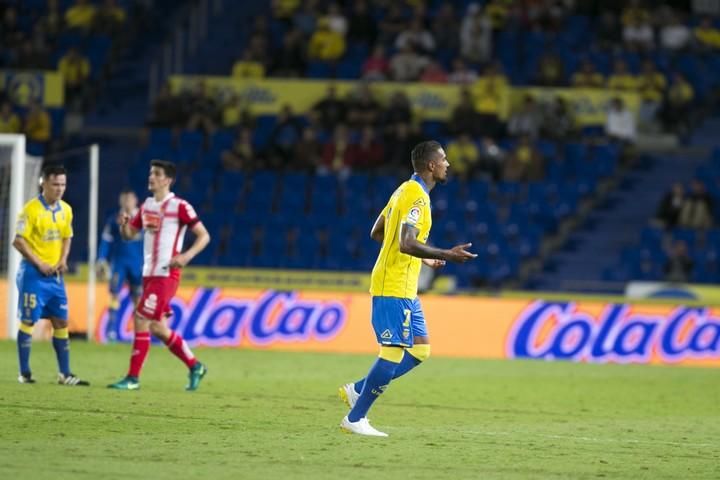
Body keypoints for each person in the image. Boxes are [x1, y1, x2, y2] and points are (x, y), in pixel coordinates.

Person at [338, 141, 477, 437]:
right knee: (392, 352)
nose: (448, 164)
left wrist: (423, 258)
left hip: (405, 286)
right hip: (393, 284)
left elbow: (378, 232)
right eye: (444, 160)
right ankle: (355, 417)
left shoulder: (403, 189)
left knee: (421, 349)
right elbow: (405, 241)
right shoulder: (417, 198)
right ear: (431, 165)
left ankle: (359, 390)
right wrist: (446, 254)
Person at [108, 160, 211, 391]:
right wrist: (124, 226)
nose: (151, 177)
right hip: (149, 275)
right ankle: (196, 366)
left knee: (141, 318)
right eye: (150, 173)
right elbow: (129, 235)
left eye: (156, 174)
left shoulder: (180, 206)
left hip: (166, 275)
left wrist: (186, 256)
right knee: (157, 328)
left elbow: (204, 236)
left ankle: (132, 378)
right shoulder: (146, 206)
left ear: (167, 180)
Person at [13, 165, 89, 385]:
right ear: (43, 183)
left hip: (54, 276)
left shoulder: (66, 209)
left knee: (61, 321)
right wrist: (40, 263)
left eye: (63, 184)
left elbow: (67, 236)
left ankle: (65, 374)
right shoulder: (30, 210)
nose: (60, 189)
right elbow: (18, 240)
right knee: (29, 320)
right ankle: (24, 373)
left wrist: (63, 260)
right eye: (55, 184)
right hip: (32, 274)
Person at [97, 189, 144, 341]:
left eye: (129, 199)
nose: (127, 202)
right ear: (121, 201)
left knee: (138, 299)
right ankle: (111, 331)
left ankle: (140, 333)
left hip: (138, 265)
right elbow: (106, 241)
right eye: (124, 200)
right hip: (119, 264)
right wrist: (101, 258)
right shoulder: (114, 220)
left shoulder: (143, 219)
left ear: (135, 200)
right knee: (114, 294)